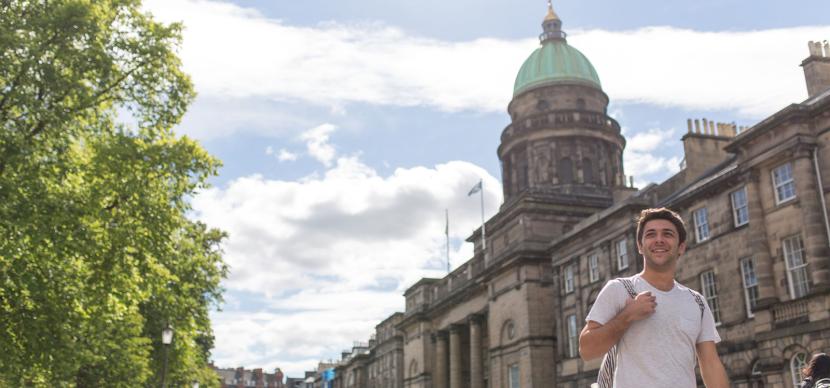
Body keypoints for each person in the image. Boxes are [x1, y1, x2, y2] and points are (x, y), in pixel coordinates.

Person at [578, 207, 729, 387]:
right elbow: (587, 350)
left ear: (681, 247)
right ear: (640, 246)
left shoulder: (697, 302)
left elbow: (711, 364)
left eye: (667, 234)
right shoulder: (619, 289)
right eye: (651, 234)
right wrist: (627, 316)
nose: (659, 240)